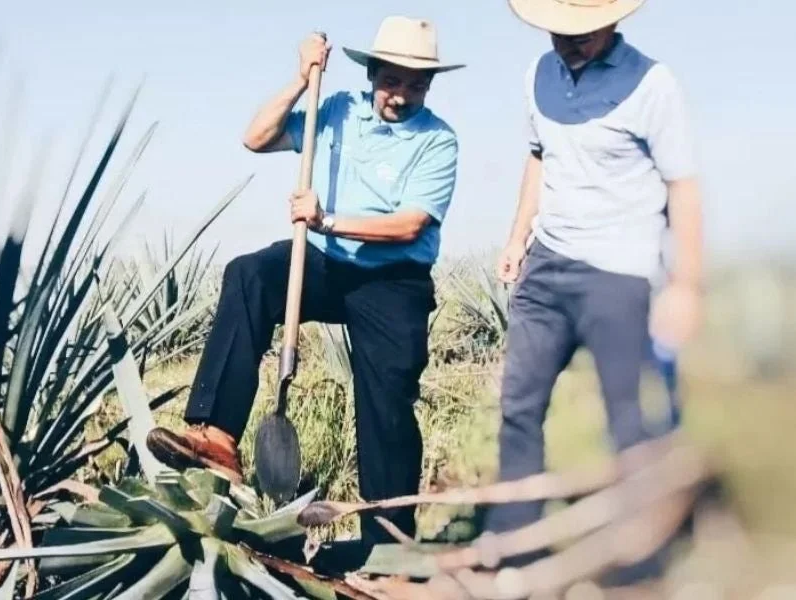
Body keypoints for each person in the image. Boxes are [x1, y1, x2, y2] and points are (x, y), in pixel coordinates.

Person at [146, 15, 464, 547]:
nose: (401, 95)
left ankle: (387, 540)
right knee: (249, 275)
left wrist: (329, 220)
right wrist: (300, 78)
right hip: (320, 261)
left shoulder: (438, 142)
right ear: (373, 75)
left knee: (386, 401)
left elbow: (410, 224)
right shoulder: (336, 110)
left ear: (428, 87)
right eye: (392, 80)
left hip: (393, 277)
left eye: (415, 84)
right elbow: (256, 138)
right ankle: (217, 435)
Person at [484, 0, 704, 582]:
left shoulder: (654, 84)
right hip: (547, 266)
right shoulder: (539, 74)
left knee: (627, 418)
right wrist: (517, 237)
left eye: (580, 32)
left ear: (613, 19)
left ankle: (639, 559)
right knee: (519, 407)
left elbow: (683, 186)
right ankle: (515, 544)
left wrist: (685, 284)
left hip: (619, 269)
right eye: (559, 30)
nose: (567, 41)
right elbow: (539, 158)